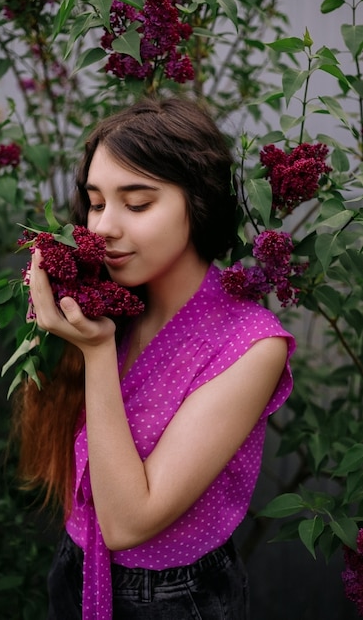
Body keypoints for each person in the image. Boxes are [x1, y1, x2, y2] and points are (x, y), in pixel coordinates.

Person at [20, 97, 295, 620]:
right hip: (75, 565)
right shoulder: (109, 300)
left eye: (138, 204)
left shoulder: (251, 345)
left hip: (173, 597)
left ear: (200, 202)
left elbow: (129, 522)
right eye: (96, 202)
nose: (102, 227)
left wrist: (97, 353)